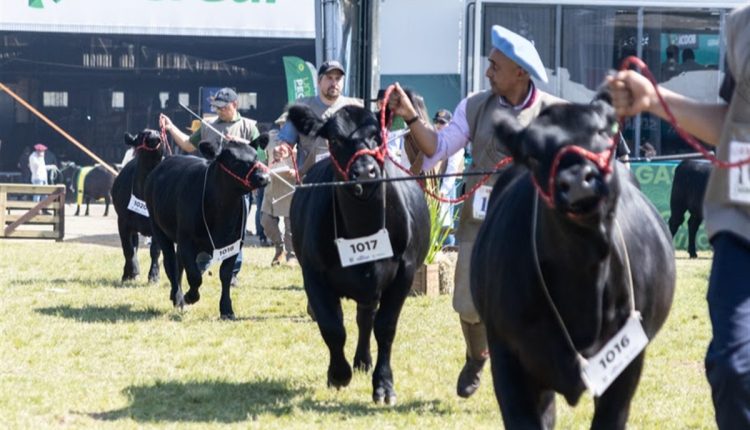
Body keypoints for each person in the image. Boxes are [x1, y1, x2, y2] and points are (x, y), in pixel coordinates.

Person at [389, 25, 564, 399]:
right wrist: (410, 117)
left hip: (532, 228)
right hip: (479, 225)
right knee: (468, 306)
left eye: (494, 66)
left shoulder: (555, 113)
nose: (487, 72)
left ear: (520, 72)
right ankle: (476, 356)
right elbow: (436, 147)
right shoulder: (473, 105)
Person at [607, 4, 750, 428]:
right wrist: (656, 99)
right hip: (741, 225)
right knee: (733, 367)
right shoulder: (741, 25)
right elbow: (733, 120)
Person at [159, 87, 261, 286]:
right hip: (210, 189)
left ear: (235, 105)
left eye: (223, 107)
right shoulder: (208, 126)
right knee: (205, 225)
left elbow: (260, 157)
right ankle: (202, 261)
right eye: (217, 107)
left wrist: (241, 142)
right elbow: (188, 145)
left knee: (236, 230)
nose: (219, 111)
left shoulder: (249, 126)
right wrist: (171, 127)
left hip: (240, 190)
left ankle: (232, 271)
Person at [278, 60, 363, 177]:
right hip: (311, 180)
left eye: (338, 78)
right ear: (319, 81)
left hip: (345, 180)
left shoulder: (356, 108)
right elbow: (287, 141)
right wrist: (282, 150)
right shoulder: (301, 108)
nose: (334, 83)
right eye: (329, 78)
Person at [260, 112, 297, 265]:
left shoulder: (302, 142)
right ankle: (279, 247)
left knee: (291, 227)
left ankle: (292, 255)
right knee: (266, 221)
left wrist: (295, 172)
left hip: (291, 187)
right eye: (283, 125)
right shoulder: (270, 139)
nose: (285, 128)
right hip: (272, 186)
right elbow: (262, 160)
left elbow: (307, 164)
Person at [432, 109, 464, 248]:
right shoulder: (434, 138)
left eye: (442, 122)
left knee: (445, 223)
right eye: (436, 121)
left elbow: (451, 169)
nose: (438, 125)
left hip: (445, 185)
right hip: (433, 184)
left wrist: (443, 191)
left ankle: (449, 254)